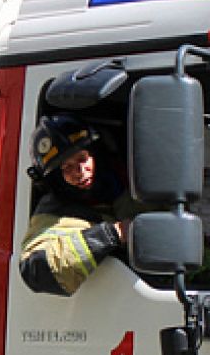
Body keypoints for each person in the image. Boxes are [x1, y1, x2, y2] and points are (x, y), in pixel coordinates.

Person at [18, 115, 137, 296]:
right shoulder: (55, 214)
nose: (80, 172)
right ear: (56, 178)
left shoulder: (133, 186)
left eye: (82, 159)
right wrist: (111, 234)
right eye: (67, 168)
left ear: (96, 155)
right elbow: (37, 271)